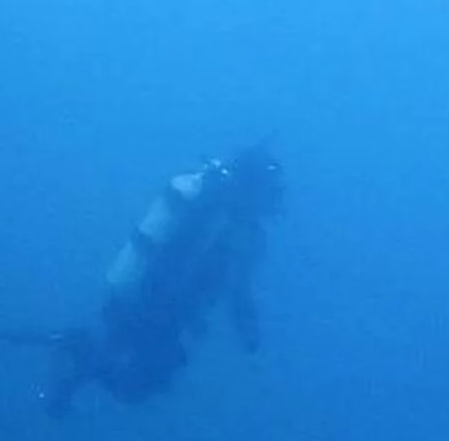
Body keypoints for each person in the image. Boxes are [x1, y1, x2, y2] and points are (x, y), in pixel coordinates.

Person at [32, 149, 285, 412]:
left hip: (140, 300)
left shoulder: (235, 225)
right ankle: (73, 349)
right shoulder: (224, 221)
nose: (276, 200)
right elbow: (215, 279)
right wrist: (247, 336)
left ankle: (65, 378)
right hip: (153, 307)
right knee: (134, 386)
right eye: (271, 192)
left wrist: (247, 335)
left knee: (113, 358)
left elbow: (235, 289)